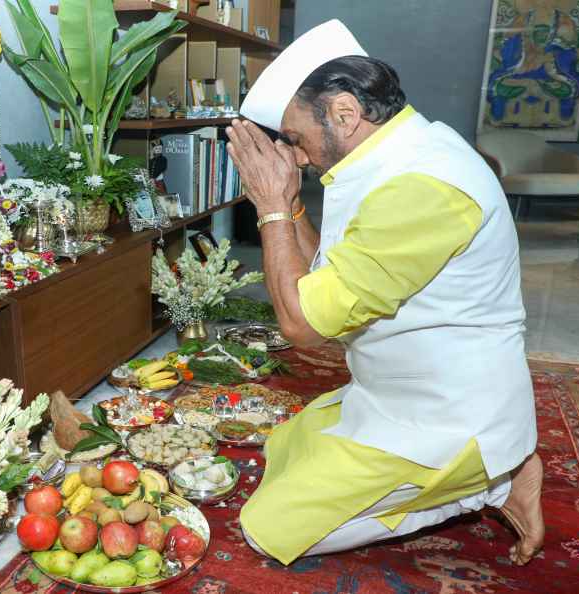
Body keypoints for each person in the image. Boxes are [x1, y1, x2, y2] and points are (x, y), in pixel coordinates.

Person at [226, 20, 544, 566]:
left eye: (298, 139)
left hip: (450, 414)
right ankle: (487, 469)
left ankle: (491, 481)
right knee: (281, 449)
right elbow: (326, 279)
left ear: (345, 114)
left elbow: (302, 327)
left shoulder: (423, 186)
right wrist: (291, 207)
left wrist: (272, 207)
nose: (297, 157)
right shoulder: (397, 158)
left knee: (267, 527)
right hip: (393, 395)